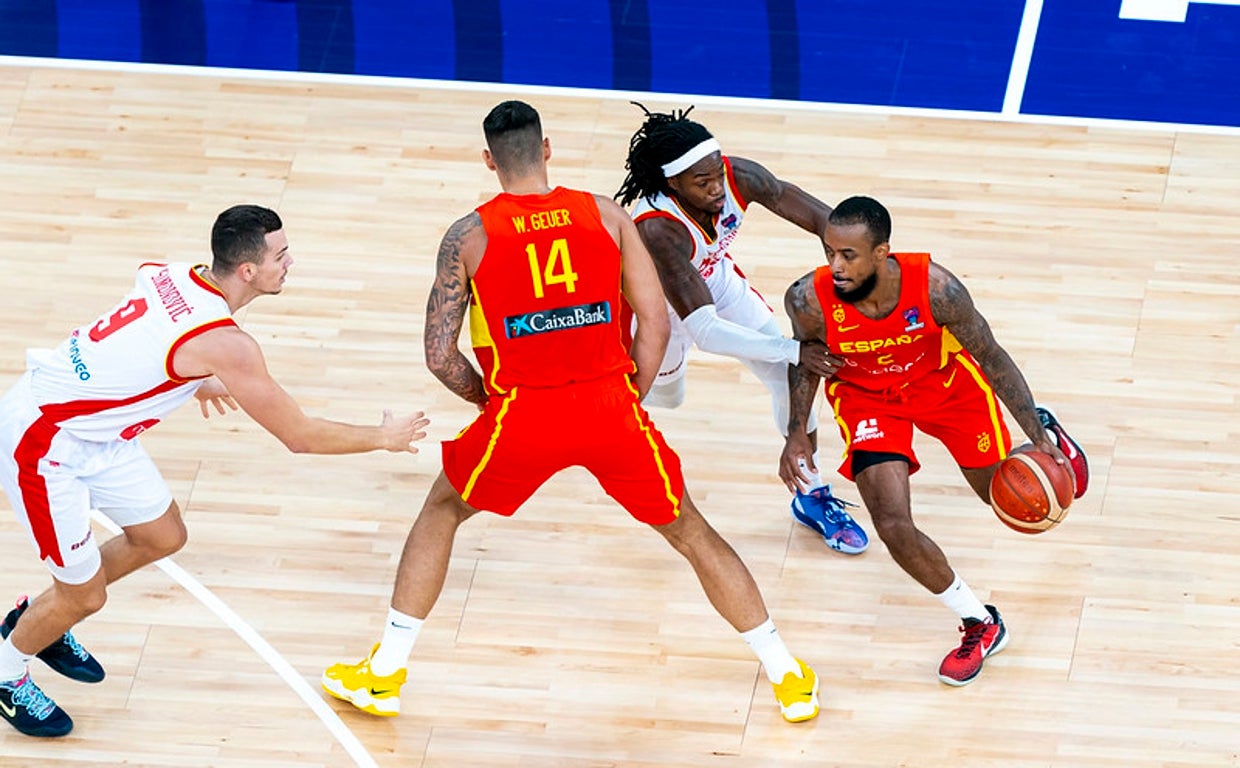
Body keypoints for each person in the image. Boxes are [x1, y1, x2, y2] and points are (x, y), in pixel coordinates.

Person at [322, 100, 820, 724]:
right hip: (611, 405)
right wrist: (629, 394)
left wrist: (489, 402)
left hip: (523, 414)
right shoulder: (607, 215)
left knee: (443, 510)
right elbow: (656, 322)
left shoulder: (467, 237)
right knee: (691, 533)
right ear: (547, 148)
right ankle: (787, 676)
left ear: (488, 161)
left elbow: (438, 355)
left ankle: (386, 672)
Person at [0, 205, 430, 738]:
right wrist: (383, 438)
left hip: (101, 434)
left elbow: (146, 289)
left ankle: (46, 615)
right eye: (281, 255)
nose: (289, 262)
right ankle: (8, 668)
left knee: (162, 535)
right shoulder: (226, 344)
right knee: (86, 595)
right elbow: (298, 436)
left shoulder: (176, 274)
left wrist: (189, 376)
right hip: (44, 443)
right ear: (247, 271)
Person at [779, 195, 1090, 686]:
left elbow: (991, 355)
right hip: (868, 399)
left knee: (1008, 499)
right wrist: (798, 432)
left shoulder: (938, 290)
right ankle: (980, 621)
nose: (835, 266)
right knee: (892, 523)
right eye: (830, 253)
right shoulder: (807, 300)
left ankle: (1049, 434)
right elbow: (807, 363)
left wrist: (1032, 432)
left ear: (883, 253)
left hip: (946, 386)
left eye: (849, 256)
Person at [615, 105, 869, 556]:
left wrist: (858, 260)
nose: (717, 189)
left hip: (714, 281)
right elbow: (707, 331)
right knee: (666, 399)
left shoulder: (738, 176)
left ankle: (810, 495)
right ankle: (589, 379)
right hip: (658, 313)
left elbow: (822, 221)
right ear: (673, 183)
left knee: (785, 381)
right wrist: (794, 348)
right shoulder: (658, 228)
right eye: (703, 183)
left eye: (717, 174)